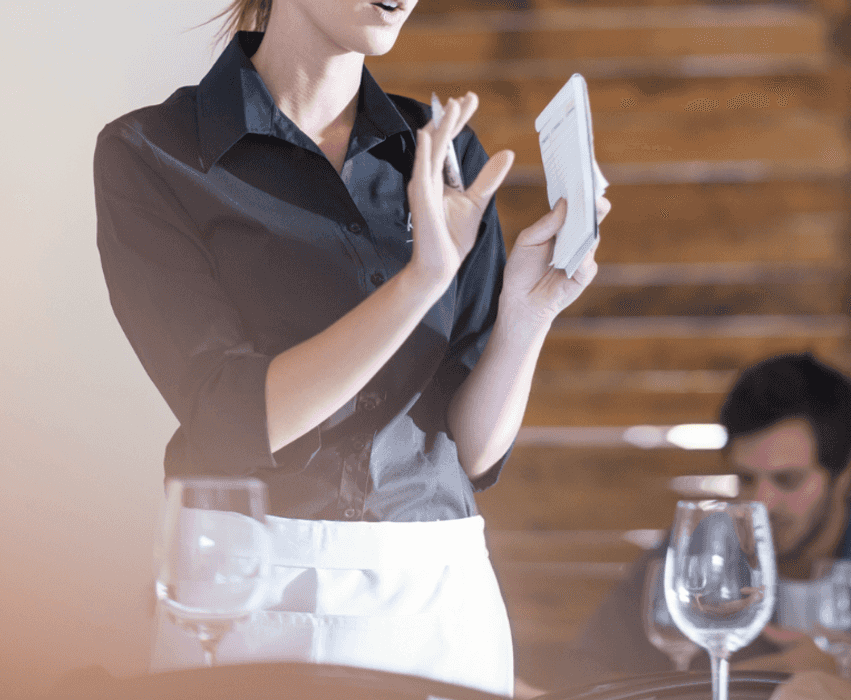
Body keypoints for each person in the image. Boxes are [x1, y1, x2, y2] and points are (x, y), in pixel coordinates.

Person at [92, 0, 610, 694]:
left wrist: (528, 311)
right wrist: (422, 280)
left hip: (436, 595)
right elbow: (234, 415)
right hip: (247, 591)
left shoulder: (445, 154)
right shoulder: (151, 154)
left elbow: (472, 452)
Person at [563, 347, 851, 688]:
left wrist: (845, 672)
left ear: (844, 474)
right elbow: (584, 669)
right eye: (746, 478)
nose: (762, 503)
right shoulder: (695, 557)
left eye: (787, 480)